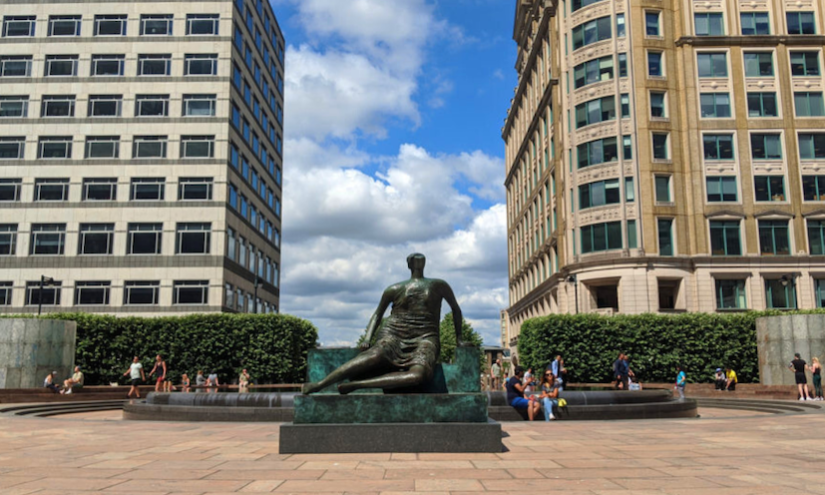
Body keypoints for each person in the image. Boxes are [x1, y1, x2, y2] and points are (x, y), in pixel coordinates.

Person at [302, 254, 466, 395]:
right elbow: (377, 315)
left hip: (425, 338)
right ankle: (319, 385)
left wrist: (460, 339)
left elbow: (456, 310)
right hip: (394, 334)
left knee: (418, 375)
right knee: (374, 355)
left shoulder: (439, 285)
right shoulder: (394, 289)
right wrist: (368, 338)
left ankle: (356, 385)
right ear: (409, 265)